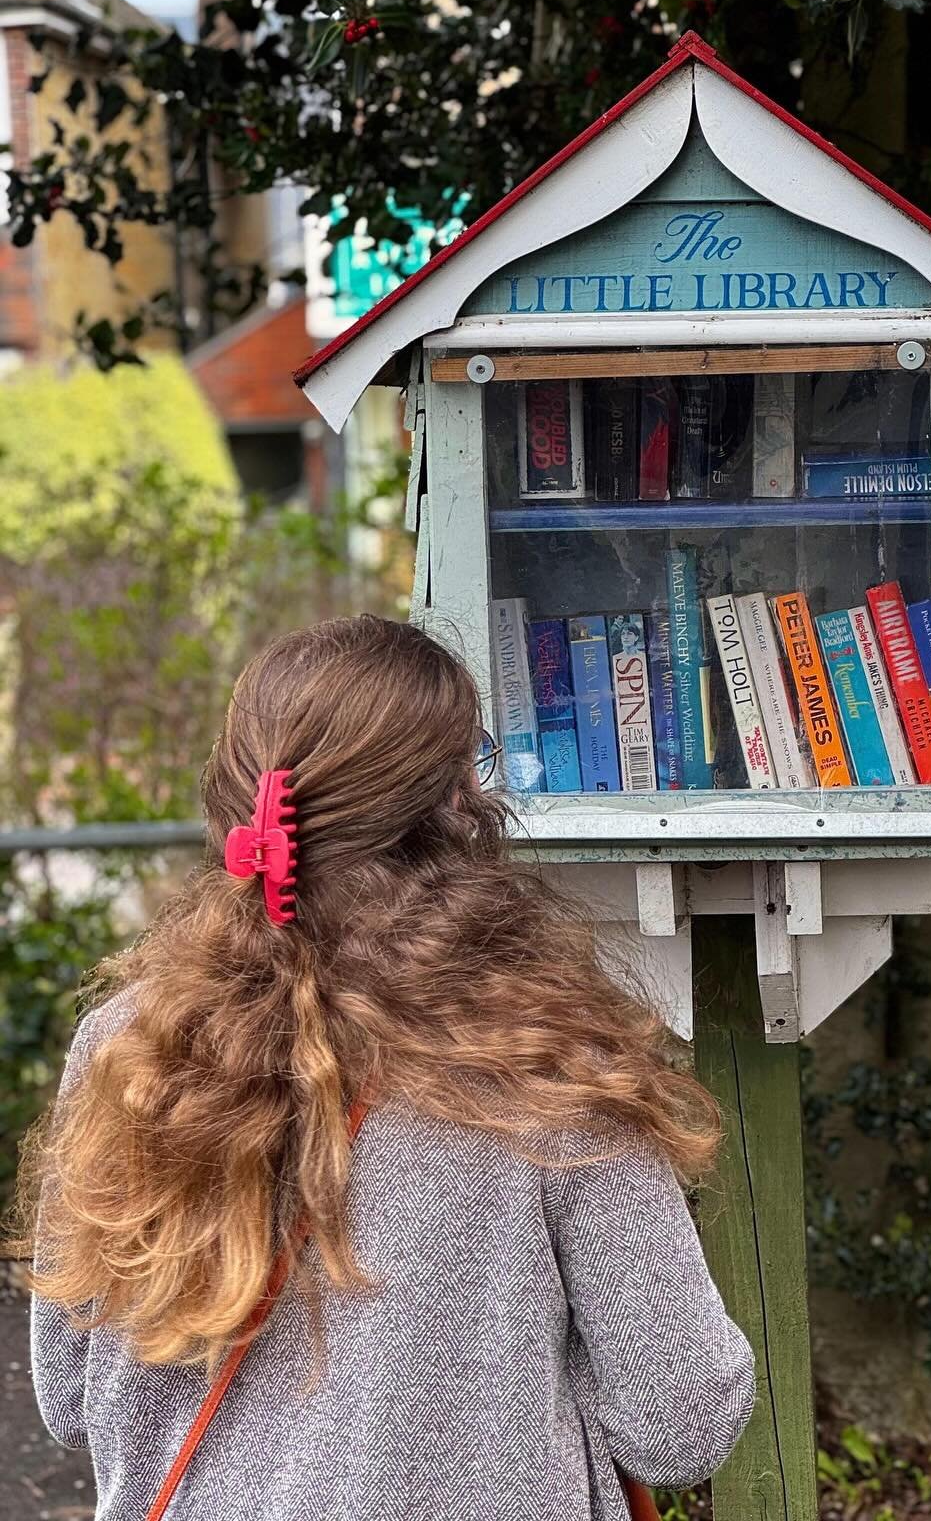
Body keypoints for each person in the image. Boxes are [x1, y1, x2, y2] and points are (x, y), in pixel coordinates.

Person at [17, 614, 754, 1521]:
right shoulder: (543, 1063)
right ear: (455, 811)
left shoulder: (128, 1045)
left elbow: (67, 1396)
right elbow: (679, 1421)